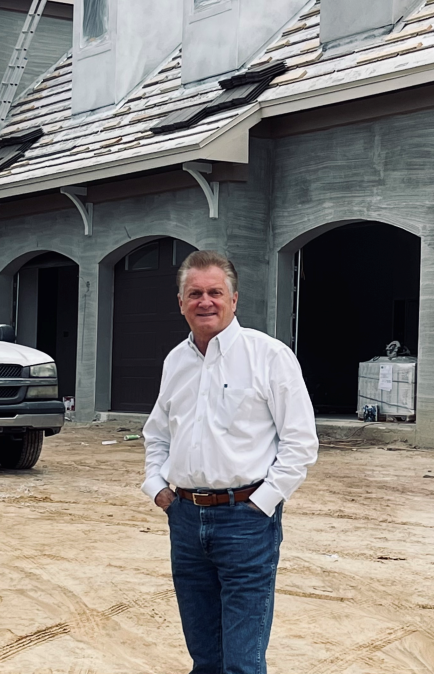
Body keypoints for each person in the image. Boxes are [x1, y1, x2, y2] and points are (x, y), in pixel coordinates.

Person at [142, 250, 318, 674]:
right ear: (181, 302)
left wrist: (263, 502)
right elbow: (157, 433)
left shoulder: (269, 357)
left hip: (246, 521)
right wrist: (157, 487)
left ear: (234, 299)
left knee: (241, 662)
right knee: (205, 656)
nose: (206, 301)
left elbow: (300, 442)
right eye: (195, 293)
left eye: (215, 292)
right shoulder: (175, 361)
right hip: (184, 519)